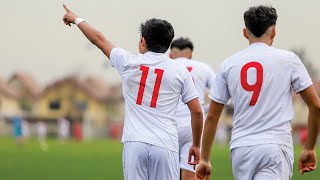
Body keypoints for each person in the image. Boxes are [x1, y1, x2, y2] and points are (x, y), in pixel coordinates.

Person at [62, 5, 203, 180]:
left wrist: (76, 19)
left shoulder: (128, 62)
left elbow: (99, 40)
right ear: (168, 44)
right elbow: (197, 111)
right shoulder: (180, 71)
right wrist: (196, 145)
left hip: (135, 142)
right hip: (166, 144)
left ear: (143, 41)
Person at [195, 5, 320, 180]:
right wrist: (309, 148)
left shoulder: (229, 64)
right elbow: (315, 106)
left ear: (245, 33)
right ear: (274, 31)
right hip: (275, 145)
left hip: (241, 148)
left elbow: (212, 116)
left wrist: (205, 159)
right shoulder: (289, 60)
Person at [169, 38, 215, 180]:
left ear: (171, 54)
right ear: (190, 54)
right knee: (190, 174)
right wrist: (205, 109)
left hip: (169, 125)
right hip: (193, 126)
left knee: (166, 173)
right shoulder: (204, 68)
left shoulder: (166, 66)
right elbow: (220, 96)